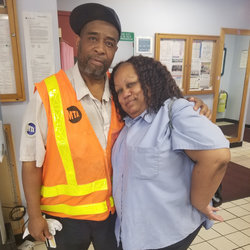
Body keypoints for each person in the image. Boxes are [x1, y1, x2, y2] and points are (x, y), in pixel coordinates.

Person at [20, 3, 211, 250]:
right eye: (93, 39)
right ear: (77, 42)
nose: (100, 48)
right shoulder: (47, 93)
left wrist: (191, 106)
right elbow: (30, 162)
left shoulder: (121, 90)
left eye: (109, 43)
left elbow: (160, 108)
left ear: (115, 50)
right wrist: (34, 216)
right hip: (64, 218)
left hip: (115, 213)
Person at [109, 55, 230, 250]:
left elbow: (217, 156)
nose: (125, 94)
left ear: (150, 81)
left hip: (165, 235)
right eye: (119, 90)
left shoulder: (174, 112)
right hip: (133, 231)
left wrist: (199, 202)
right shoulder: (129, 124)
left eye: (131, 85)